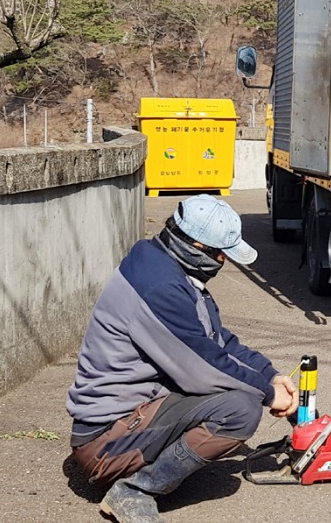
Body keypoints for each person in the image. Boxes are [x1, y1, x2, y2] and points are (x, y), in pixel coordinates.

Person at [66, 195, 299, 523]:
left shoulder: (164, 264)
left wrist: (270, 375)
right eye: (219, 253)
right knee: (240, 409)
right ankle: (134, 490)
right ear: (195, 247)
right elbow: (203, 367)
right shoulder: (160, 287)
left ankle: (145, 471)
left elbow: (218, 341)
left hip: (131, 417)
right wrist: (268, 394)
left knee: (241, 393)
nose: (222, 261)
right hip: (105, 443)